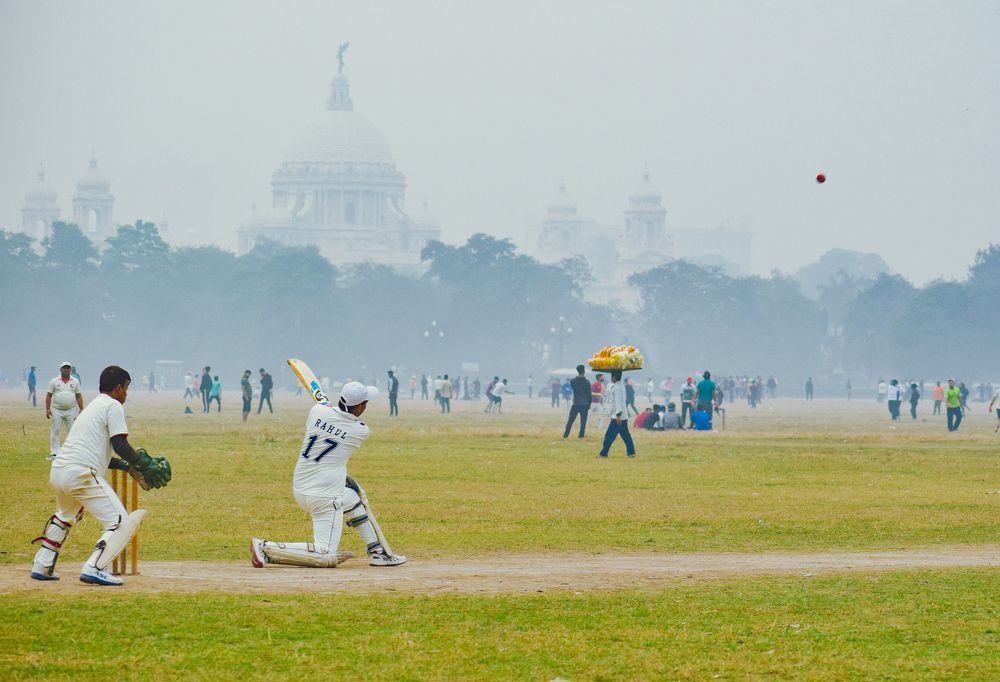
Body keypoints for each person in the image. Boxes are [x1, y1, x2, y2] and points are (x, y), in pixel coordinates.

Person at [30, 365, 171, 585]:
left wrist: (126, 466)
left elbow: (101, 452)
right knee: (120, 522)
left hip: (60, 471)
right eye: (126, 388)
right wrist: (144, 464)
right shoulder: (113, 405)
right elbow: (120, 444)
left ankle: (42, 565)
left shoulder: (93, 406)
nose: (126, 394)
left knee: (65, 517)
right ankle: (94, 567)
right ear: (117, 388)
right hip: (81, 474)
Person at [250, 381, 405, 569]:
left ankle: (377, 552)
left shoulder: (317, 411)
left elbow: (327, 413)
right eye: (365, 403)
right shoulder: (359, 431)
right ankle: (266, 547)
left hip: (301, 488)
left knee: (353, 499)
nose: (366, 406)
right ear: (359, 406)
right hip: (325, 497)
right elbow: (342, 425)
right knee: (325, 554)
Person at [46, 362, 84, 458]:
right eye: (64, 368)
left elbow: (78, 396)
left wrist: (81, 408)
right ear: (60, 369)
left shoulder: (75, 381)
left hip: (71, 410)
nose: (66, 370)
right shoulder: (54, 381)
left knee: (72, 431)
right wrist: (47, 409)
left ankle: (73, 452)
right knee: (56, 430)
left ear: (70, 370)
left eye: (68, 368)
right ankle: (55, 452)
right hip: (56, 410)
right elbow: (49, 396)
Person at [598, 370, 635, 458]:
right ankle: (631, 453)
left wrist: (618, 415)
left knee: (609, 435)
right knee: (626, 436)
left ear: (613, 377)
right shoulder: (620, 386)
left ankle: (603, 454)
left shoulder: (617, 388)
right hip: (623, 416)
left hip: (618, 416)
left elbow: (619, 402)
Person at [563, 365, 592, 439]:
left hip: (575, 403)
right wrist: (589, 404)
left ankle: (566, 435)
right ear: (584, 371)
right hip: (585, 403)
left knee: (570, 421)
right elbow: (589, 395)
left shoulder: (573, 381)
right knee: (583, 422)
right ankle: (581, 435)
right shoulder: (587, 382)